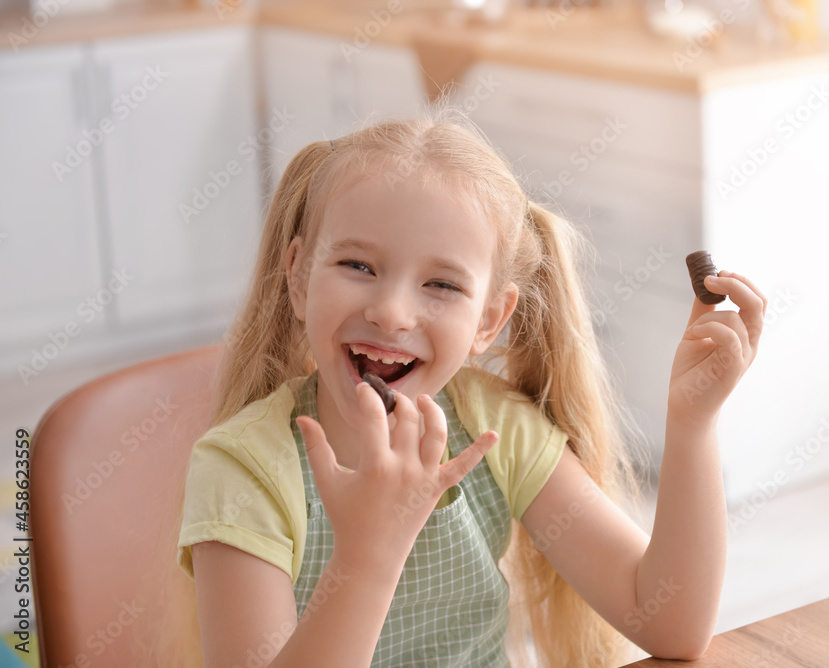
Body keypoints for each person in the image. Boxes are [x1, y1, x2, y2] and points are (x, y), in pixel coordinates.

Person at [169, 109, 766, 667]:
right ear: (298, 276)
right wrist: (369, 553)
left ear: (489, 319)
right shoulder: (243, 469)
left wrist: (692, 426)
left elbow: (670, 623)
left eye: (442, 285)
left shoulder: (493, 426)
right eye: (358, 266)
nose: (392, 312)